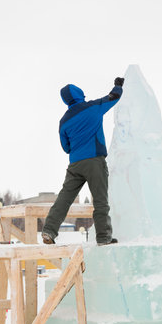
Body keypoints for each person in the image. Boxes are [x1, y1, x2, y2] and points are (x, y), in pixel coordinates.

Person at [42, 76, 125, 246]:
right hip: (94, 161)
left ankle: (49, 230)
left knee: (64, 199)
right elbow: (113, 97)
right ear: (80, 94)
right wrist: (118, 85)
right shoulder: (92, 107)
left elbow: (66, 148)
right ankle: (103, 237)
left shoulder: (64, 121)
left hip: (75, 165)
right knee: (101, 200)